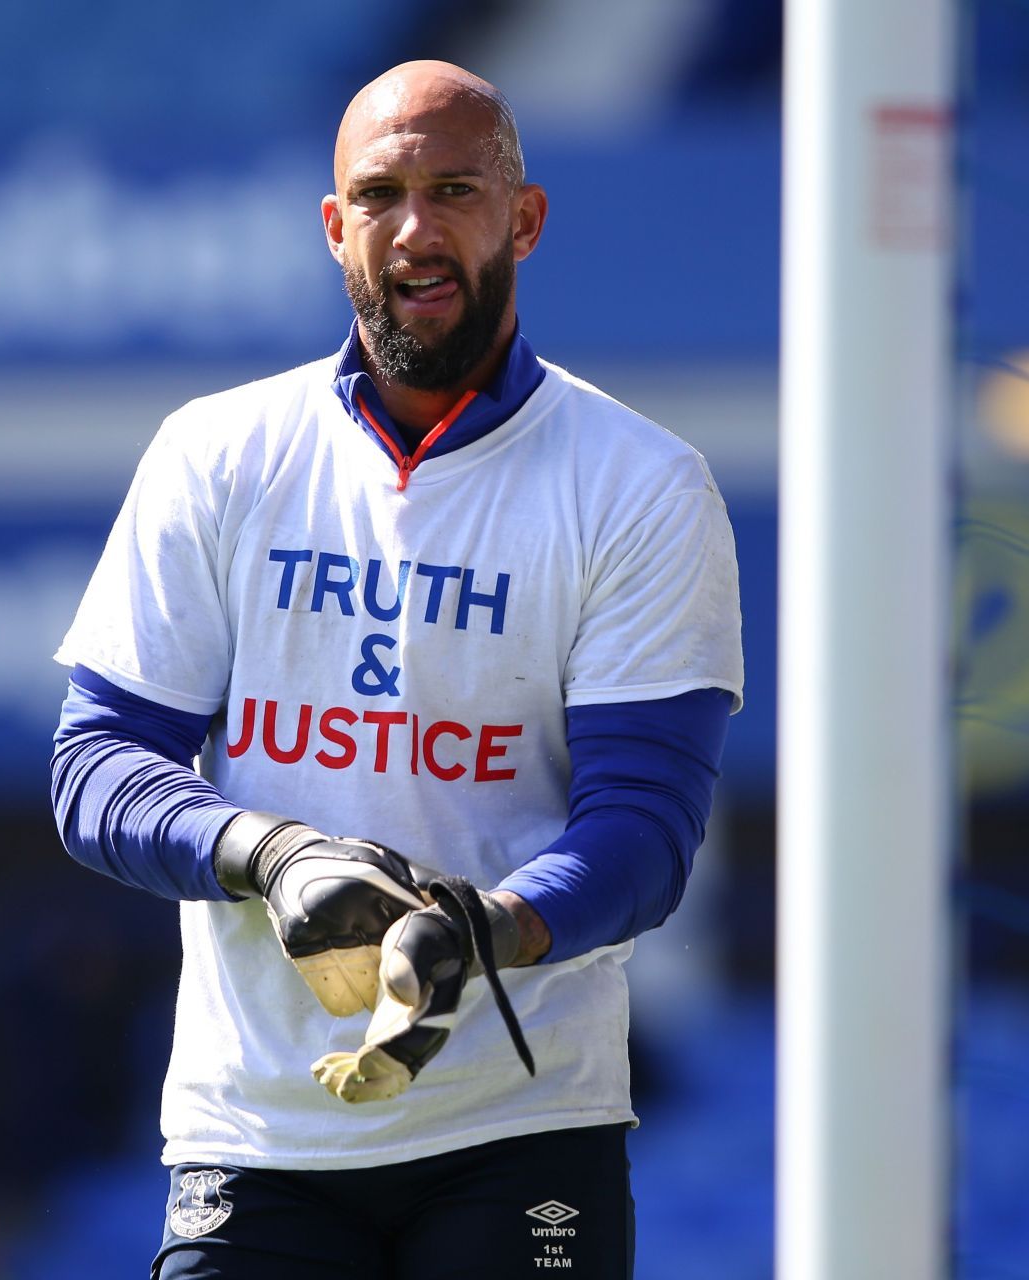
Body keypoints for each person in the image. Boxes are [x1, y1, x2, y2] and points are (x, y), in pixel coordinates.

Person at [50, 60, 742, 1279]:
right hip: (254, 1131)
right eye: (379, 194)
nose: (414, 229)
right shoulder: (216, 454)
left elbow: (646, 832)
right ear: (334, 228)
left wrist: (485, 929)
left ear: (523, 218)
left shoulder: (642, 482)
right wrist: (277, 852)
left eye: (456, 189)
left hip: (522, 1128)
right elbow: (95, 769)